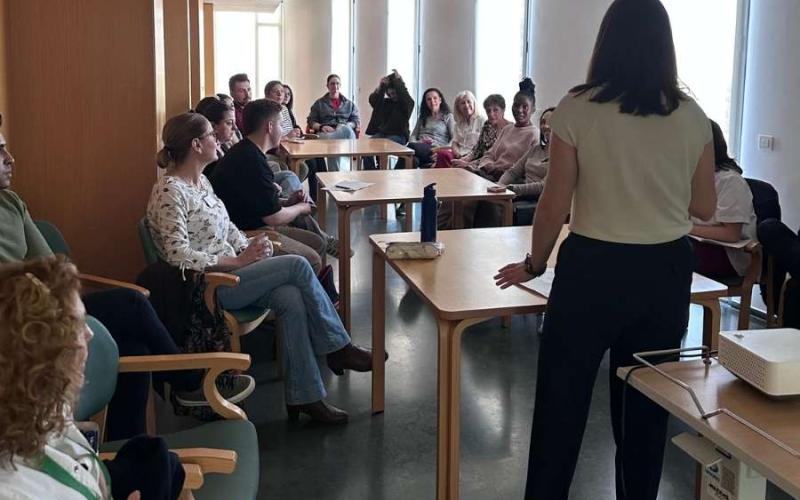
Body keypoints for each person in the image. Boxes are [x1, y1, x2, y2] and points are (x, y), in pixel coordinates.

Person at [493, 1, 716, 498]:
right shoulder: (692, 115)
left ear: (606, 42)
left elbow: (554, 204)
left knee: (561, 406)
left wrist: (534, 264)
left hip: (592, 269)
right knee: (645, 410)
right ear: (665, 46)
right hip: (664, 272)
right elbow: (704, 205)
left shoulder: (578, 107)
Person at [0, 113, 252, 440]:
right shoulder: (171, 189)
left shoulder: (11, 202)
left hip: (47, 303)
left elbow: (51, 264)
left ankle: (127, 445)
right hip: (14, 316)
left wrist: (59, 295)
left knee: (134, 346)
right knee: (132, 303)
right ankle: (188, 379)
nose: (10, 158)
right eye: (0, 151)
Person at [148, 112, 385, 424]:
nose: (218, 139)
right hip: (206, 287)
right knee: (298, 265)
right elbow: (177, 255)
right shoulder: (170, 191)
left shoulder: (201, 182)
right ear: (196, 145)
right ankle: (338, 348)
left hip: (233, 272)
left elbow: (227, 228)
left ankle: (305, 397)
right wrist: (238, 261)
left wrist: (252, 245)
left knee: (291, 298)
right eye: (211, 135)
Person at [0, 257, 186, 500]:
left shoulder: (44, 404)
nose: (89, 333)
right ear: (41, 357)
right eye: (78, 325)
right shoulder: (15, 490)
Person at [209, 99, 342, 303]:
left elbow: (261, 203)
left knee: (318, 242)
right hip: (247, 233)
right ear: (269, 127)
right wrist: (300, 207)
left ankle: (322, 300)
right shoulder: (250, 160)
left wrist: (289, 202)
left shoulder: (249, 152)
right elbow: (273, 218)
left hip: (253, 223)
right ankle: (310, 306)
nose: (283, 130)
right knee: (313, 259)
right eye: (280, 124)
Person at [690, 119, 757, 279]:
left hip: (726, 253)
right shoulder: (689, 176)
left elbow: (731, 234)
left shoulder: (730, 181)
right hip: (695, 242)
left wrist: (684, 228)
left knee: (667, 254)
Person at [458, 78, 538, 182]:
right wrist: (488, 164)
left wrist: (497, 169)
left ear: (533, 109)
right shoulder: (507, 129)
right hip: (489, 173)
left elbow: (526, 169)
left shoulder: (534, 134)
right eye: (516, 105)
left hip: (507, 179)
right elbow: (489, 154)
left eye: (525, 107)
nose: (519, 110)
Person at [497, 106, 555, 199]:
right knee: (485, 199)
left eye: (551, 122)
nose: (546, 126)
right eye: (543, 122)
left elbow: (543, 186)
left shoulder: (562, 155)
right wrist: (499, 185)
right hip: (522, 193)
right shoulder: (535, 149)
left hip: (538, 199)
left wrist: (510, 189)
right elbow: (513, 172)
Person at [362, 70, 415, 170]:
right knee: (366, 147)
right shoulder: (386, 103)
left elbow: (404, 95)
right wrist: (381, 86)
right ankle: (372, 172)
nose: (392, 96)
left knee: (384, 144)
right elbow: (373, 100)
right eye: (390, 93)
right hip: (383, 134)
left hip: (399, 136)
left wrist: (399, 81)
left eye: (394, 93)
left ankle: (383, 171)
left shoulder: (407, 104)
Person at [306, 74, 360, 172]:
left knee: (341, 136)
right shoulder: (319, 103)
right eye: (332, 84)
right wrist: (321, 127)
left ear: (340, 85)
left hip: (344, 133)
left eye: (337, 83)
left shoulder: (349, 104)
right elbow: (311, 121)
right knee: (334, 143)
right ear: (327, 86)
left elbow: (355, 121)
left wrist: (345, 126)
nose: (335, 86)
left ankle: (333, 176)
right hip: (325, 134)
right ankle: (338, 173)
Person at [453, 94, 512, 167]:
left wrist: (469, 164)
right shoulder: (487, 125)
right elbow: (477, 150)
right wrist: (463, 160)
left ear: (503, 110)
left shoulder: (511, 128)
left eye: (495, 110)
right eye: (488, 111)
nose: (491, 114)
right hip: (482, 163)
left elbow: (495, 157)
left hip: (497, 166)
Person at [405, 88, 454, 169]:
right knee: (413, 160)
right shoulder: (423, 117)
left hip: (435, 149)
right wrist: (417, 143)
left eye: (435, 98)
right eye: (429, 99)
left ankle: (392, 175)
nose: (432, 101)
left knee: (408, 150)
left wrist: (443, 151)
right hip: (419, 148)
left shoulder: (448, 116)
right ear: (426, 103)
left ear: (440, 100)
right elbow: (413, 135)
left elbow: (454, 139)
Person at [433, 90, 484, 168]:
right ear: (458, 107)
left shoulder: (482, 120)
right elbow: (455, 142)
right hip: (460, 154)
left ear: (474, 103)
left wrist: (468, 157)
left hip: (474, 155)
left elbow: (484, 145)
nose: (466, 105)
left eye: (469, 102)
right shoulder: (458, 124)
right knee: (442, 155)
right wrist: (457, 153)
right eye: (463, 103)